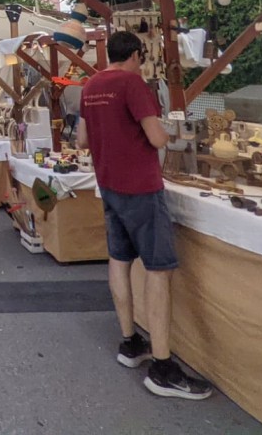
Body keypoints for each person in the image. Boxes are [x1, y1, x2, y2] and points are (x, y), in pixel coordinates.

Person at [77, 30, 212, 401]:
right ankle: (163, 366)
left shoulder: (91, 86)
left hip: (109, 186)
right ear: (136, 54)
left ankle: (130, 343)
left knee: (119, 260)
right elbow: (155, 139)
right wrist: (165, 130)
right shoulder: (133, 84)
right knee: (158, 268)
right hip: (140, 186)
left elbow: (81, 140)